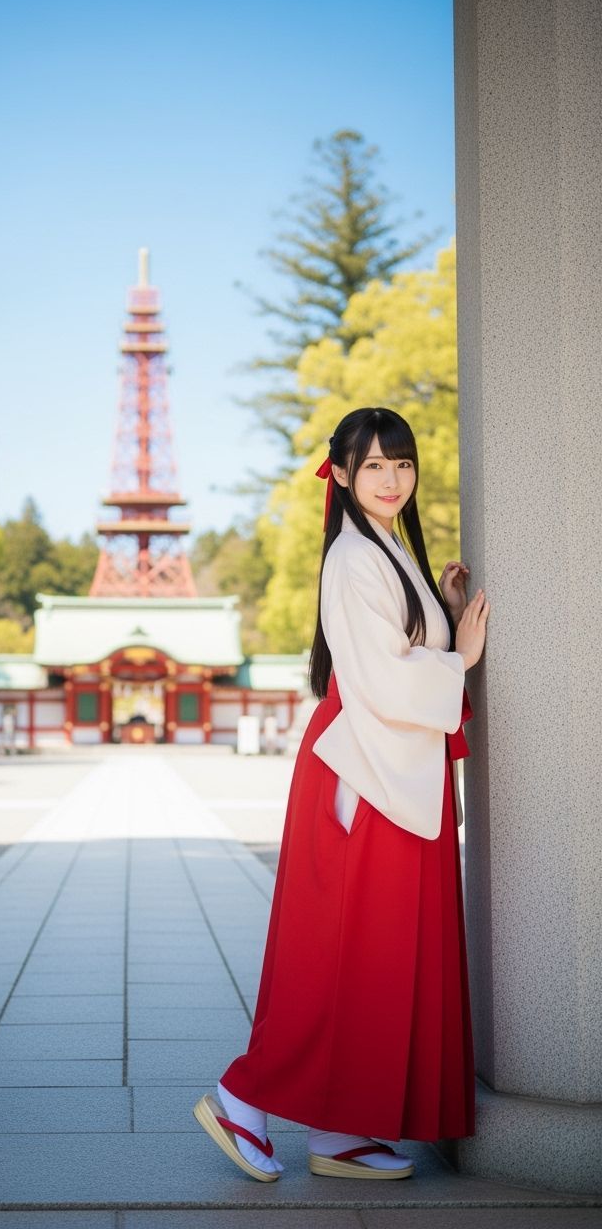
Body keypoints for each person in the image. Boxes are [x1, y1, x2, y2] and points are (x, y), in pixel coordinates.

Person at [193, 407, 490, 1182]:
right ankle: (241, 1095)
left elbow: (396, 655)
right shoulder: (355, 558)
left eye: (403, 464)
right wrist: (459, 657)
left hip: (382, 762)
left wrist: (446, 614)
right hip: (365, 773)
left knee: (374, 956)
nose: (392, 480)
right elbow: (386, 679)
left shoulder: (384, 549)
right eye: (374, 467)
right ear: (346, 477)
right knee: (337, 952)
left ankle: (341, 1129)